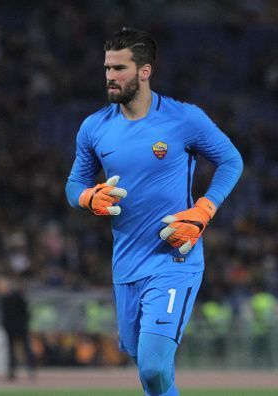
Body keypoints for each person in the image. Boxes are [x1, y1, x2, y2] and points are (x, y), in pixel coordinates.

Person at [65, 27, 243, 396]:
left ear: (144, 71)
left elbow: (231, 160)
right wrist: (88, 198)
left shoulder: (184, 119)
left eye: (120, 68)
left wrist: (203, 210)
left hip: (174, 259)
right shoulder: (94, 128)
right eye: (107, 68)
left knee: (153, 364)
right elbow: (73, 186)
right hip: (126, 263)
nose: (110, 76)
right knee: (152, 375)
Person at [0, 275, 36, 381]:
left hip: (15, 328)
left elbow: (6, 315)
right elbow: (26, 312)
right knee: (23, 349)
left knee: (15, 350)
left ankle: (14, 371)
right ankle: (27, 370)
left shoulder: (7, 298)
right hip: (18, 327)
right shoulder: (14, 297)